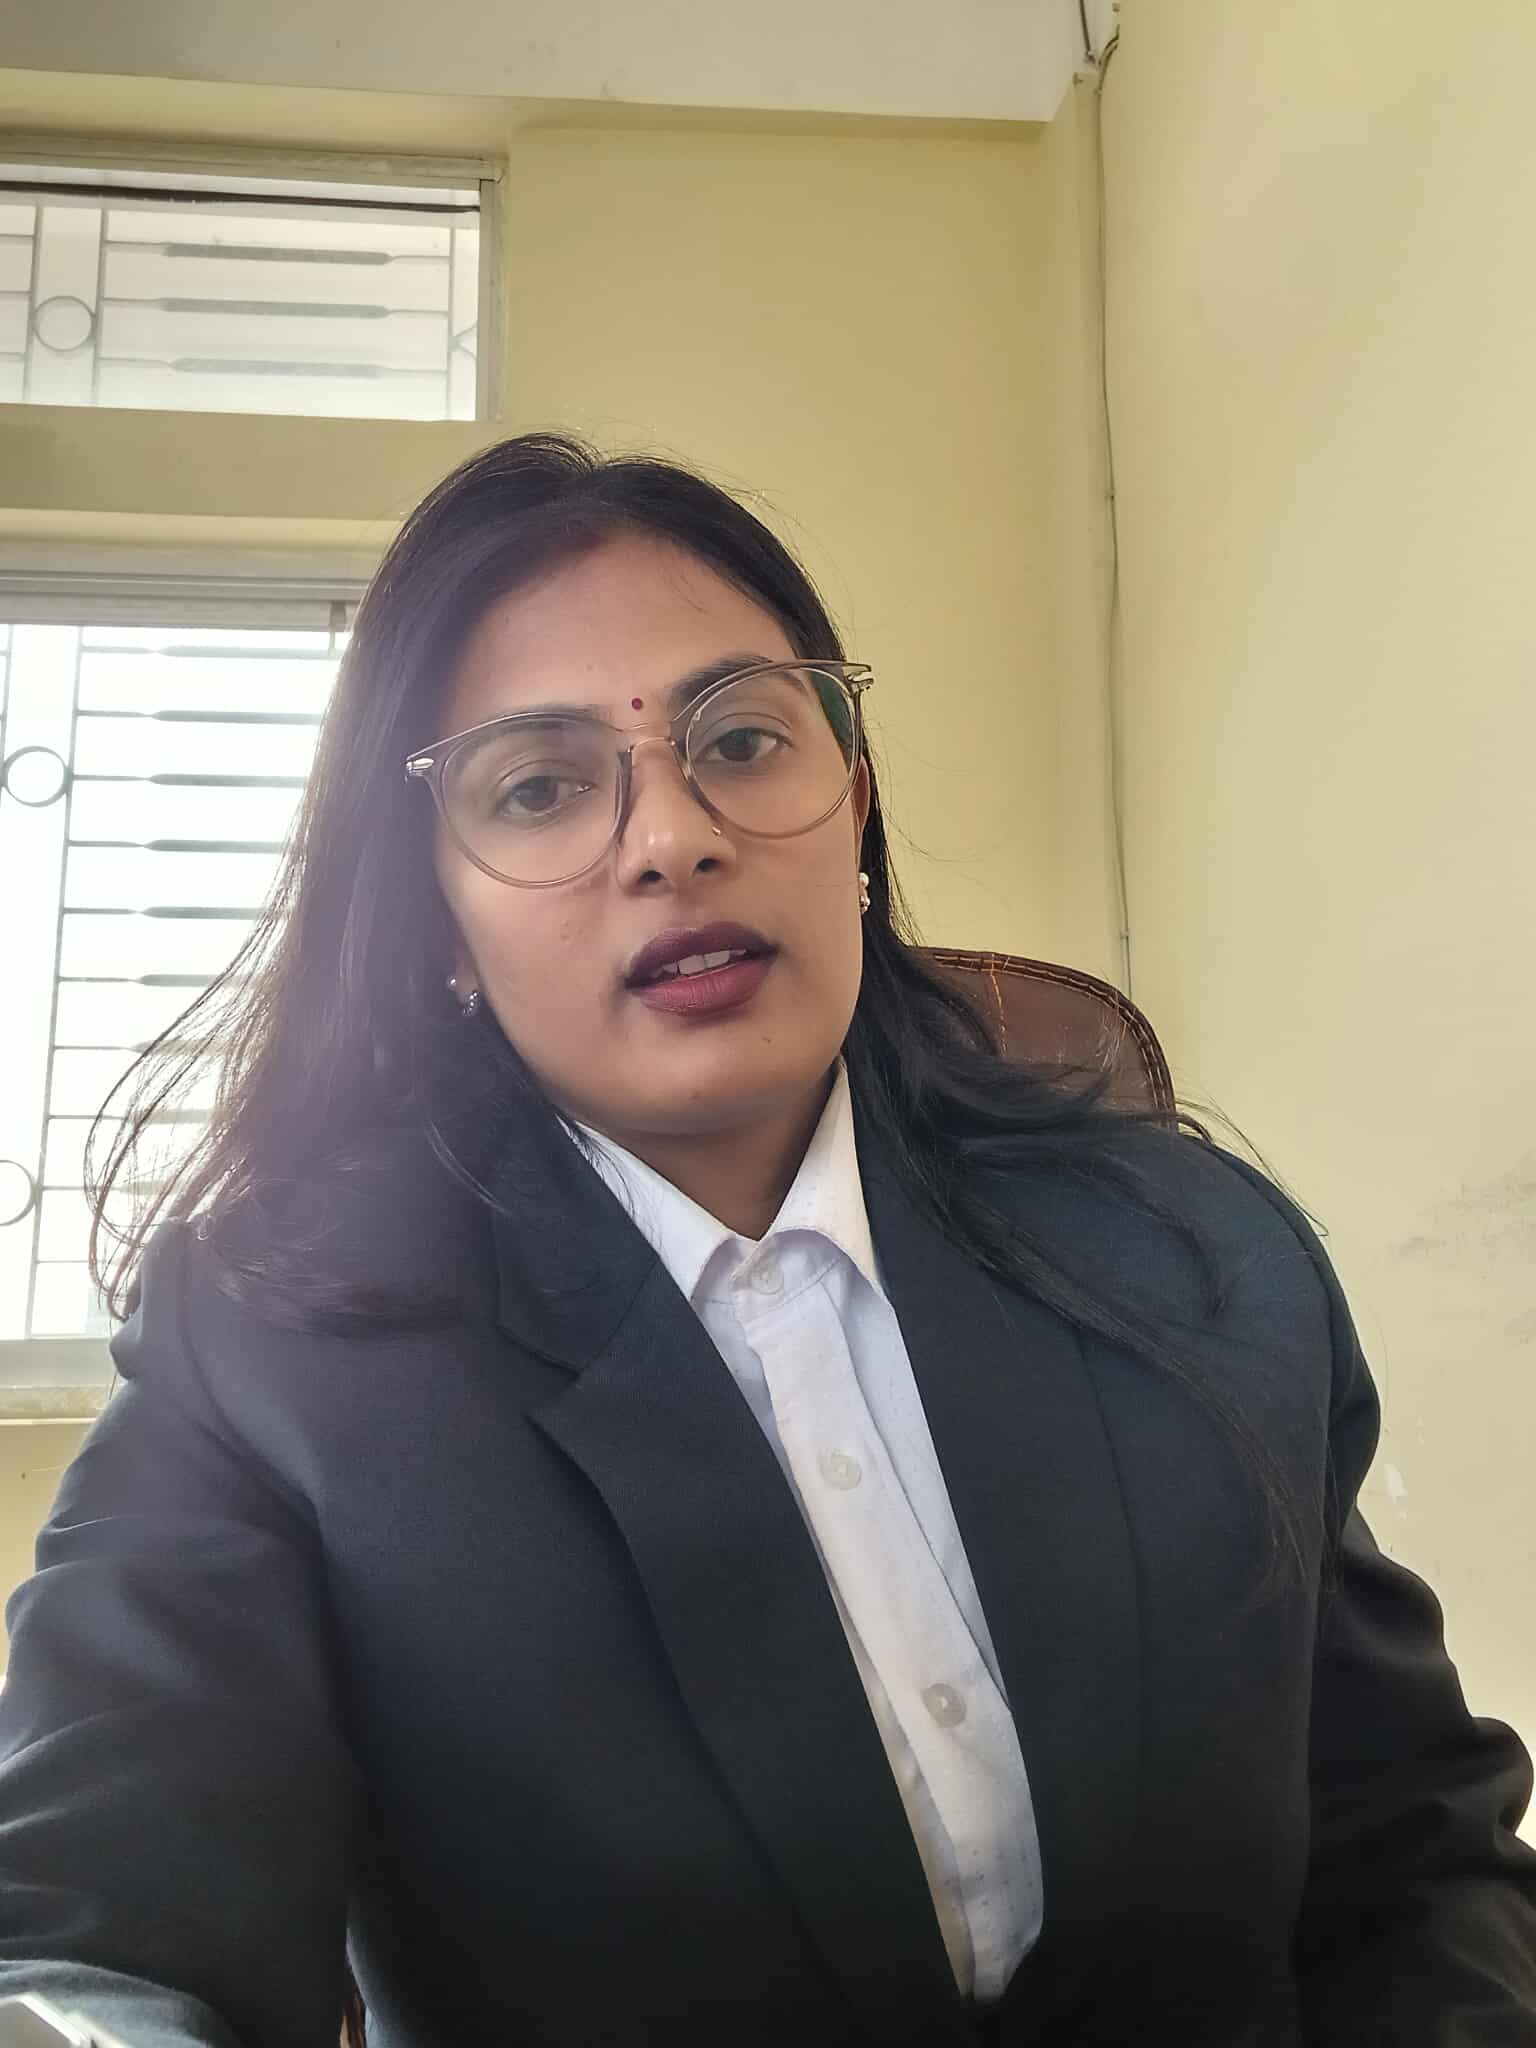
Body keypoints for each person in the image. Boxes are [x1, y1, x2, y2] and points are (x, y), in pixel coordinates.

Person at [1, 433, 1533, 2048]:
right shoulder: (273, 1361)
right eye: (540, 787)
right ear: (437, 915)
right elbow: (97, 1929)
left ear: (853, 807)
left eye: (741, 739)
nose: (673, 836)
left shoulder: (1197, 1252)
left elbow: (1413, 1855)